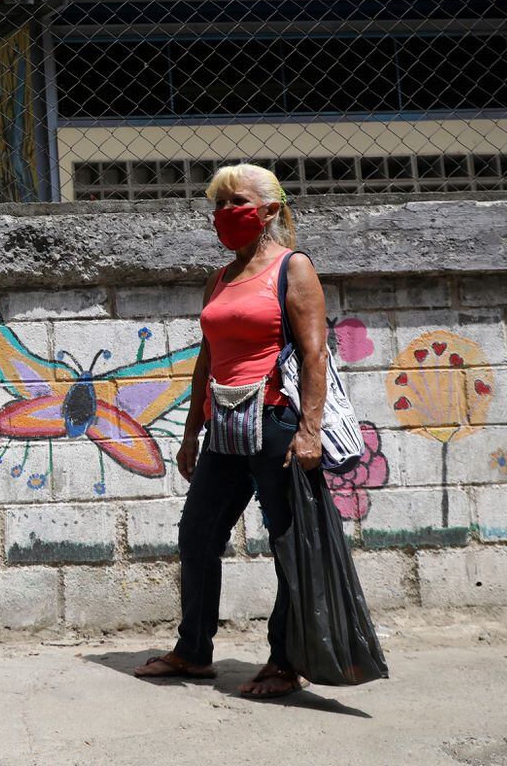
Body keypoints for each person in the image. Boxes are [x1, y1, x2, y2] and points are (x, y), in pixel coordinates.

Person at [134, 163, 328, 698]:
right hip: (224, 423)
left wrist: (309, 431)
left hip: (275, 420)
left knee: (287, 542)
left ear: (269, 210)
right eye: (217, 204)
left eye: (235, 202)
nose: (223, 213)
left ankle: (285, 662)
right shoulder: (218, 278)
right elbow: (207, 357)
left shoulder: (294, 269)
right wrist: (191, 429)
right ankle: (193, 651)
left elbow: (315, 354)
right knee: (197, 533)